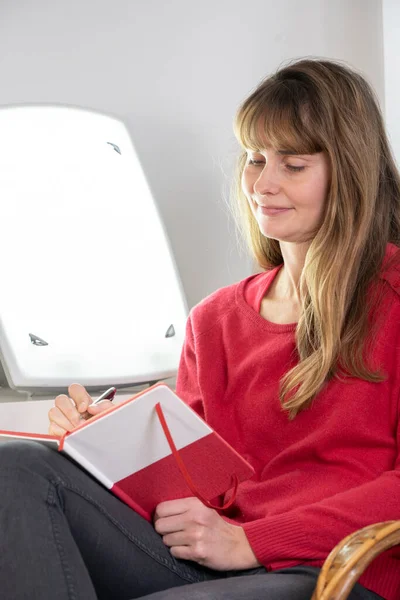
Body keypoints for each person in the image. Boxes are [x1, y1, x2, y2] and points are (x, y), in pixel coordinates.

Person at [0, 57, 399, 600]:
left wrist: (254, 542)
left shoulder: (392, 299)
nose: (263, 184)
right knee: (16, 467)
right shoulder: (213, 321)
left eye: (294, 165)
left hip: (332, 570)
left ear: (349, 171)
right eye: (255, 159)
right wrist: (113, 445)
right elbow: (200, 486)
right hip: (216, 559)